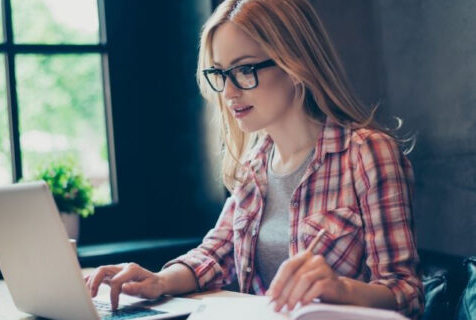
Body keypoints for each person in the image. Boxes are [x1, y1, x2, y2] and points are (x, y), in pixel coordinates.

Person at [85, 0, 424, 318]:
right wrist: (158, 280)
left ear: (294, 63)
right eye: (220, 74)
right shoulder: (255, 164)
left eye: (244, 70)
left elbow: (406, 293)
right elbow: (216, 253)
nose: (229, 93)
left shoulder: (368, 154)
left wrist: (340, 289)